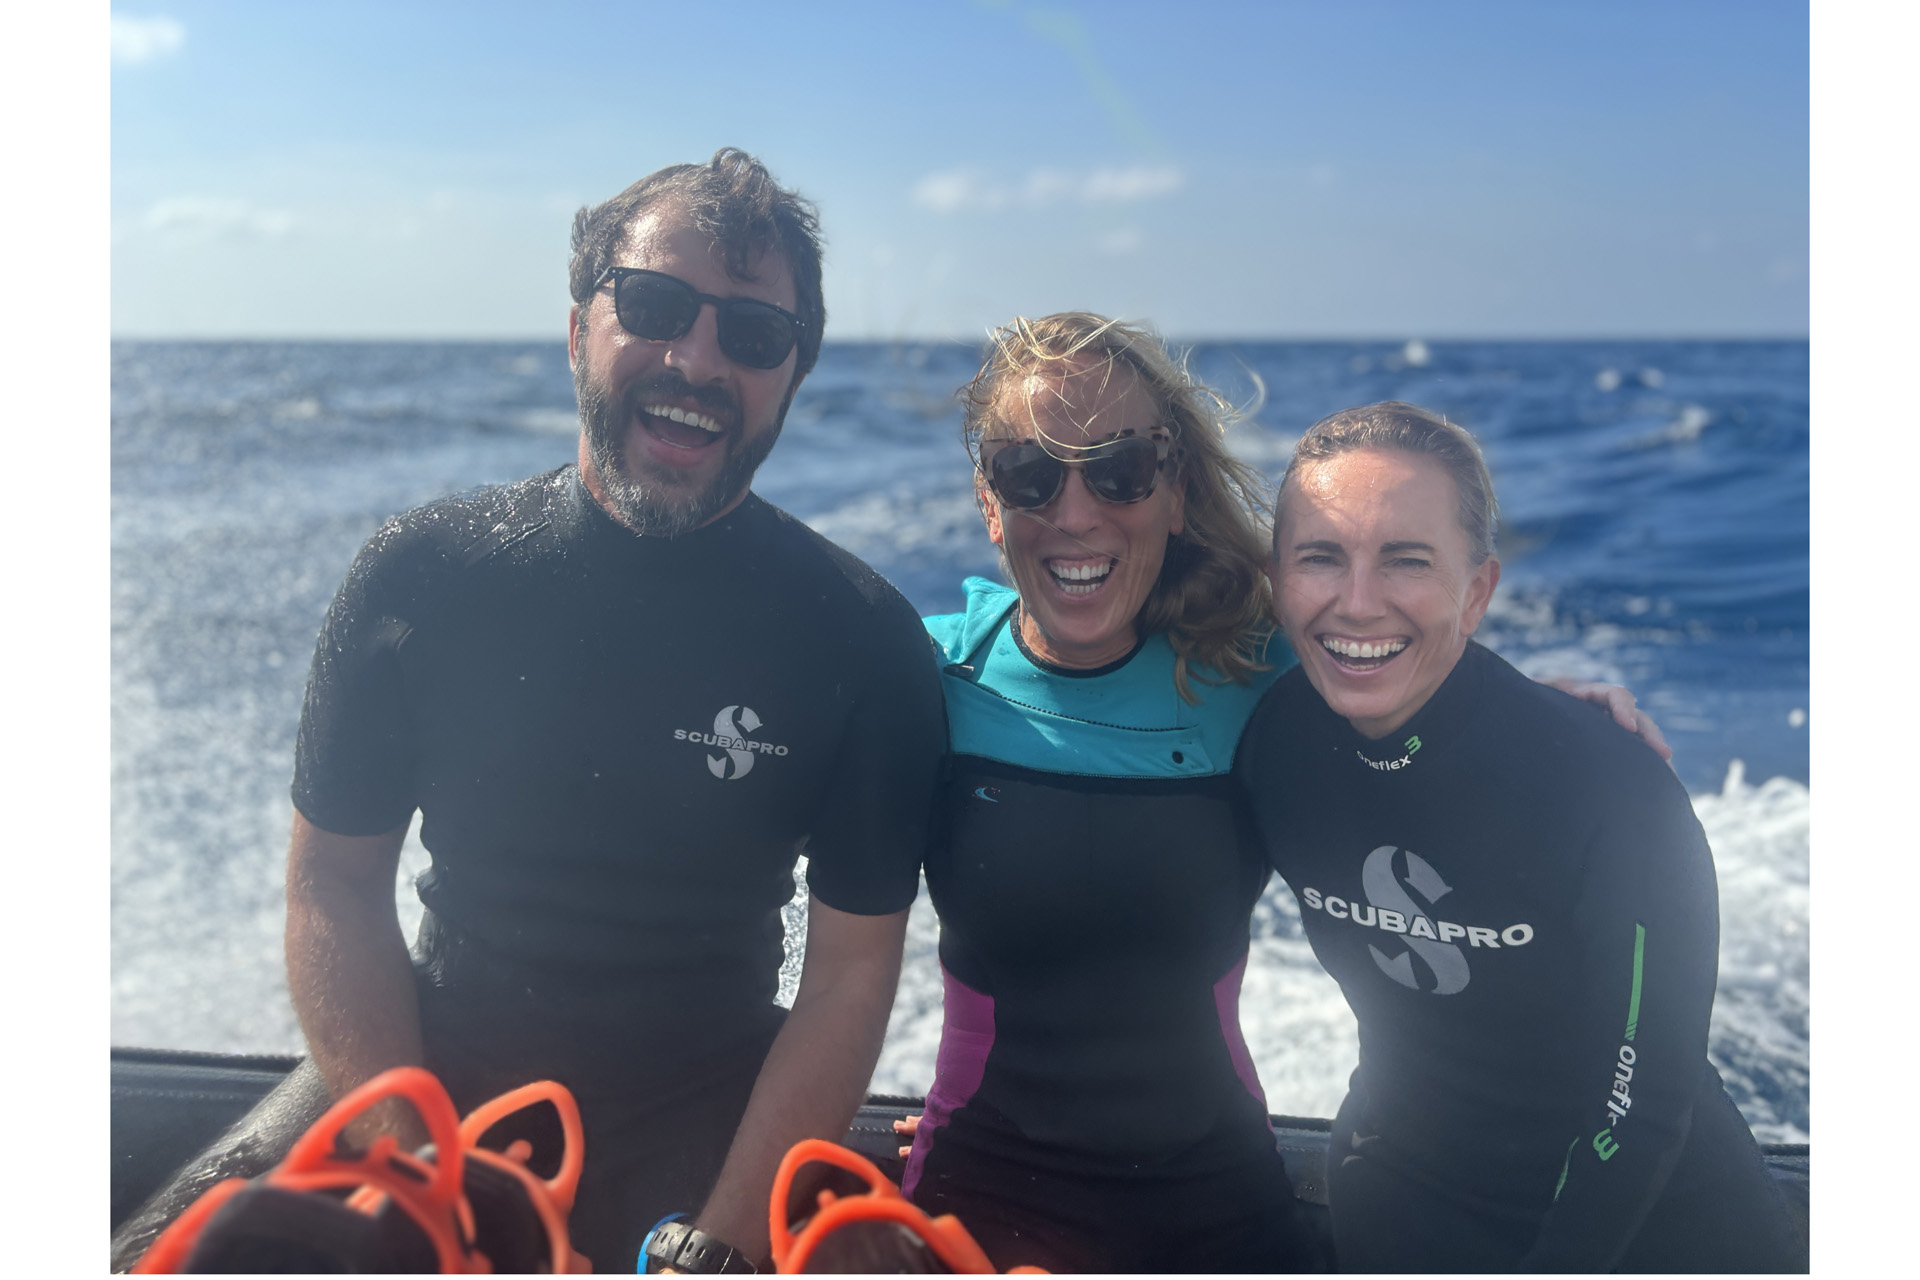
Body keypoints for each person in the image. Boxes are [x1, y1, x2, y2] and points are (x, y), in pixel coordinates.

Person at [110, 149, 947, 1276]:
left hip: (719, 1115)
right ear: (576, 329)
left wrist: (726, 1239)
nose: (697, 358)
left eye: (753, 336)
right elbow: (334, 887)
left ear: (792, 376)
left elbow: (848, 973)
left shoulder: (862, 638)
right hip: (424, 1079)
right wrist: (414, 1183)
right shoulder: (420, 576)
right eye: (654, 306)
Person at [894, 320, 1662, 1273]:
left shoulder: (1253, 676)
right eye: (1031, 475)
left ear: (1172, 494)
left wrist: (1566, 722)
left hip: (1213, 1210)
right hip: (978, 1194)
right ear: (990, 501)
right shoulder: (919, 679)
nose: (1077, 511)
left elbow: (1397, 650)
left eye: (1122, 469)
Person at [1235, 401, 1805, 1272]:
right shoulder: (1267, 745)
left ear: (1476, 592)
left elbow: (1642, 1110)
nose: (1356, 601)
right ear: (1278, 579)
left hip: (1645, 1221)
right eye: (1320, 557)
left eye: (1406, 561)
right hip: (1404, 1199)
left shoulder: (1607, 785)